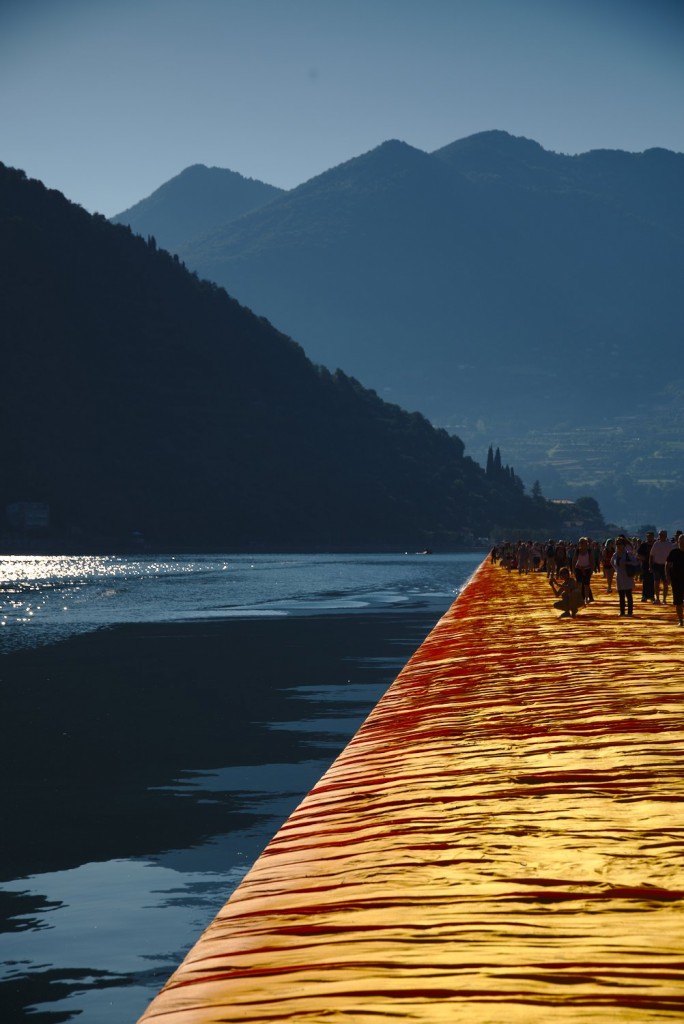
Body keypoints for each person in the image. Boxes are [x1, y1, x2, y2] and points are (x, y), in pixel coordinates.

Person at [611, 538, 639, 617]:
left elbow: (635, 562)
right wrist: (616, 570)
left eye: (620, 544)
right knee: (621, 595)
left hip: (627, 576)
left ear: (624, 545)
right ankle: (622, 611)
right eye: (617, 544)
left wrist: (627, 562)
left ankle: (630, 612)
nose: (618, 546)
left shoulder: (628, 554)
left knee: (628, 595)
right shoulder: (615, 554)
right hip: (619, 576)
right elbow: (612, 562)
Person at [650, 530, 675, 604]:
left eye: (662, 535)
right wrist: (650, 566)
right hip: (657, 565)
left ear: (665, 536)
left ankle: (664, 599)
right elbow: (651, 556)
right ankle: (657, 598)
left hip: (666, 566)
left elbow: (673, 556)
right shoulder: (656, 544)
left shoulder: (670, 545)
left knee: (665, 583)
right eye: (660, 535)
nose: (661, 536)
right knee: (656, 582)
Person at [665, 534, 684, 627]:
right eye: (680, 541)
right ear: (678, 542)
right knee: (678, 601)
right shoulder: (674, 552)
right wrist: (667, 576)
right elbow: (667, 565)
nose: (682, 543)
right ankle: (681, 620)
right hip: (676, 580)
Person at [572, 536, 594, 604]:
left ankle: (587, 598)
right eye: (581, 542)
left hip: (587, 569)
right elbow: (574, 561)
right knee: (579, 584)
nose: (582, 544)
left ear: (586, 543)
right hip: (578, 568)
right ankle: (579, 598)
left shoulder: (589, 551)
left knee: (586, 584)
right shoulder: (577, 551)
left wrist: (591, 570)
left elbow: (591, 561)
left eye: (583, 542)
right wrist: (573, 570)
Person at [637, 531, 655, 602]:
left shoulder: (655, 545)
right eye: (648, 536)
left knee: (652, 581)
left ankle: (652, 596)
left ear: (653, 537)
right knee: (645, 581)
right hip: (645, 566)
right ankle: (644, 596)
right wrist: (643, 558)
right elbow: (638, 555)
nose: (649, 538)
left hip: (654, 565)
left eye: (651, 536)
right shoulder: (643, 545)